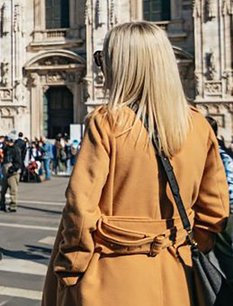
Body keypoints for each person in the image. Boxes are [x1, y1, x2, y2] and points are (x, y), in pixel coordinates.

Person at [42, 22, 230, 306]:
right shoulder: (199, 126)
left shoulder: (106, 123)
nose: (100, 70)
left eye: (103, 60)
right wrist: (180, 245)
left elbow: (80, 212)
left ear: (121, 66)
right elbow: (214, 212)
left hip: (110, 277)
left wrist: (71, 269)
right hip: (178, 273)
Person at [208, 116, 233, 283]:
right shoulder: (223, 149)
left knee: (224, 251)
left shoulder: (215, 152)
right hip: (225, 206)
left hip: (225, 208)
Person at [0, 132, 22, 212]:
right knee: (1, 190)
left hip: (12, 173)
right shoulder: (6, 148)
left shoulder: (16, 150)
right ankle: (1, 204)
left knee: (13, 190)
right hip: (5, 172)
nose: (6, 142)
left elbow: (18, 162)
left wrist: (12, 169)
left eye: (7, 140)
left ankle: (13, 206)